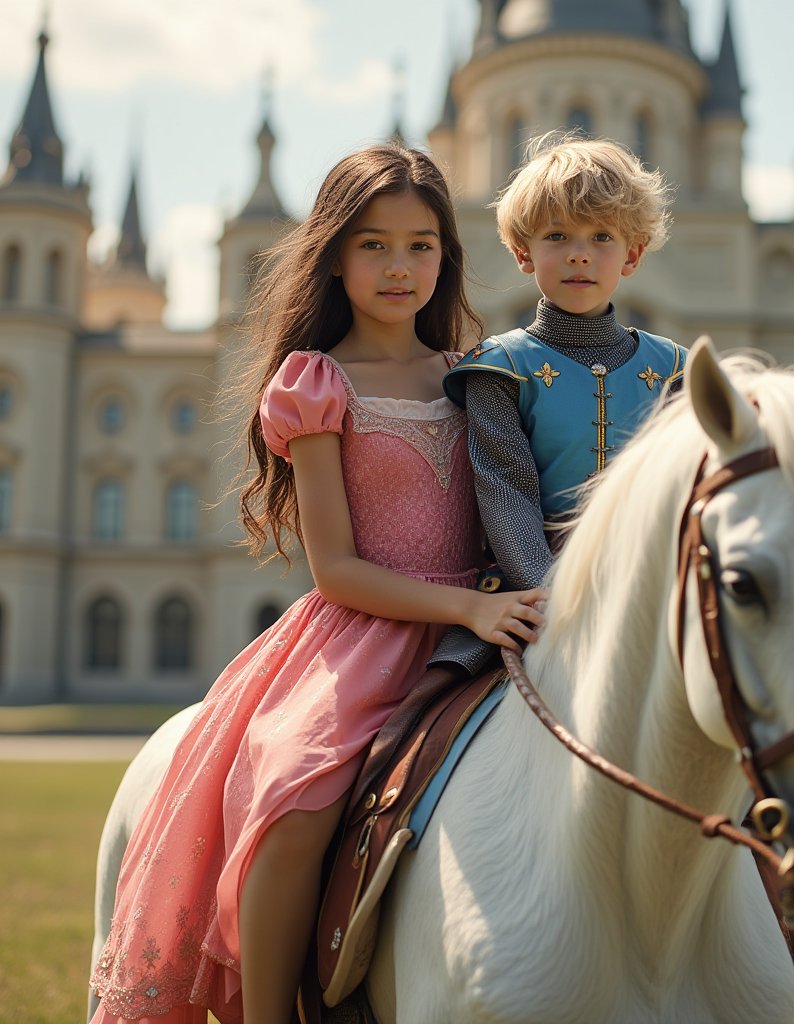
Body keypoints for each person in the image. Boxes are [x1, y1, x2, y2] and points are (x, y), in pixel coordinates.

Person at [88, 143, 545, 1024]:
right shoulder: (316, 384)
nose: (400, 266)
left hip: (488, 619)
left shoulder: (480, 373)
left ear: (447, 255)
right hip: (366, 629)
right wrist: (470, 606)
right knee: (295, 798)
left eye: (421, 245)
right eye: (374, 244)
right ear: (335, 253)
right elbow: (336, 568)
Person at [429, 133, 685, 679]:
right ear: (523, 253)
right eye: (556, 235)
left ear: (633, 254)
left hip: (657, 592)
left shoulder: (675, 371)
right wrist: (558, 603)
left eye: (601, 236)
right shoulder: (500, 367)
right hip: (531, 601)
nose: (579, 252)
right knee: (411, 727)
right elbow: (506, 490)